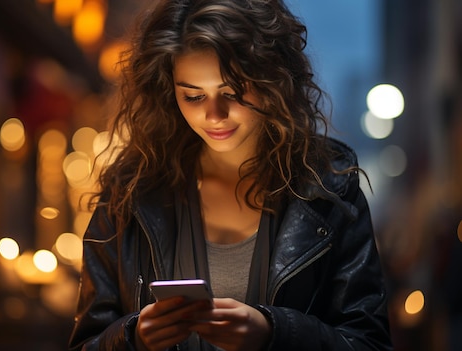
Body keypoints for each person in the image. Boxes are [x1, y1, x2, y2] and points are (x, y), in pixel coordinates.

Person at [69, 0, 392, 350]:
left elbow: (369, 342)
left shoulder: (328, 188)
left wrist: (275, 333)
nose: (214, 115)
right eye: (193, 96)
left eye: (232, 92)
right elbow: (87, 342)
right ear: (168, 91)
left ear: (272, 79)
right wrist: (133, 339)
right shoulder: (130, 193)